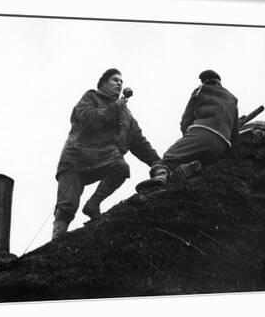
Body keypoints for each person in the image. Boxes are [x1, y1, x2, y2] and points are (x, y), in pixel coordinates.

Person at [52, 68, 162, 239]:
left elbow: (139, 142)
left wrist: (156, 162)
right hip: (76, 157)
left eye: (121, 81)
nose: (119, 83)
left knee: (121, 167)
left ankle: (93, 204)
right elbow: (89, 119)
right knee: (66, 206)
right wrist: (114, 107)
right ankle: (55, 242)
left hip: (103, 157)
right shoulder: (91, 97)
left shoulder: (126, 116)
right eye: (114, 80)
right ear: (103, 84)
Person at [149, 69, 239, 186]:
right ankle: (187, 170)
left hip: (201, 133)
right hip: (221, 146)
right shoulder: (232, 99)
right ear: (219, 82)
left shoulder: (200, 91)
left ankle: (161, 176)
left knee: (167, 158)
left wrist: (188, 138)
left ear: (203, 82)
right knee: (200, 161)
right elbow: (235, 134)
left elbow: (185, 121)